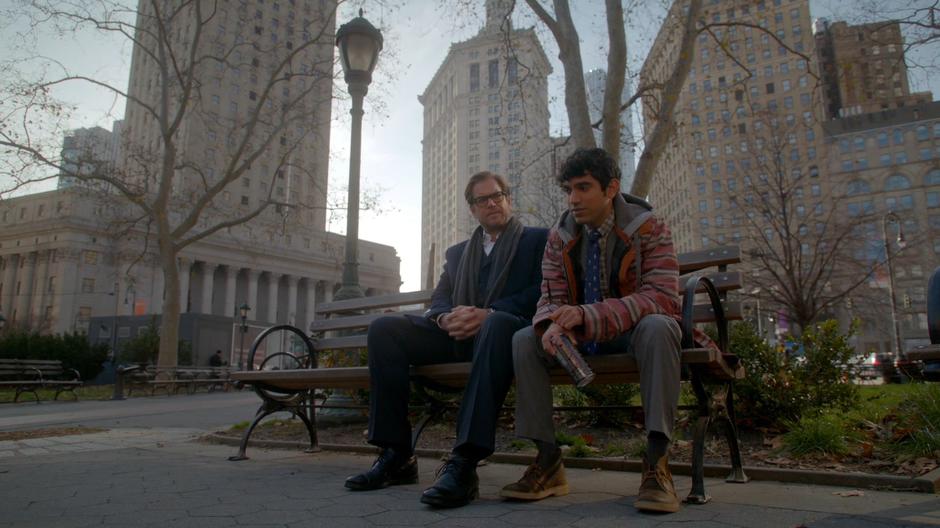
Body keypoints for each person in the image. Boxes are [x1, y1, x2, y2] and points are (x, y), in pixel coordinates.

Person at [503, 148, 698, 514]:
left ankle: (657, 463)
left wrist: (586, 316)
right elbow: (550, 296)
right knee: (524, 339)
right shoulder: (559, 236)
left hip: (635, 333)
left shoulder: (650, 227)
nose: (573, 199)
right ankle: (547, 461)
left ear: (611, 189)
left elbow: (662, 298)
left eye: (583, 188)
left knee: (659, 327)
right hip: (582, 335)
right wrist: (550, 324)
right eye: (568, 190)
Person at [344, 171, 549, 509]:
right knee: (384, 329)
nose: (492, 203)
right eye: (482, 200)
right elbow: (440, 299)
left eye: (497, 195)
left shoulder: (537, 240)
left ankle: (465, 463)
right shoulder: (457, 254)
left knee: (497, 324)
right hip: (457, 338)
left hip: (508, 337)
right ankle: (397, 455)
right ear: (473, 209)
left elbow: (542, 289)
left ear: (508, 198)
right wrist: (444, 317)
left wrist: (490, 313)